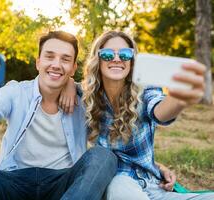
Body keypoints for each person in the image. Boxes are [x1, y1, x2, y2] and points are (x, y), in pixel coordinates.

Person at [0, 31, 118, 200]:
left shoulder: (83, 97)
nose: (56, 64)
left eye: (65, 59)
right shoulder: (16, 91)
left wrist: (70, 84)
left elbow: (113, 95)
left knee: (103, 156)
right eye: (49, 56)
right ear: (38, 62)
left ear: (73, 67)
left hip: (63, 184)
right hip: (15, 182)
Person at [61, 30, 214, 200]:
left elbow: (159, 111)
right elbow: (61, 78)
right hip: (119, 183)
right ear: (98, 59)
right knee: (120, 191)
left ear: (133, 61)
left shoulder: (145, 89)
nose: (117, 59)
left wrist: (178, 99)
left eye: (125, 54)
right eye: (107, 54)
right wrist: (68, 83)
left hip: (153, 184)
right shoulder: (87, 95)